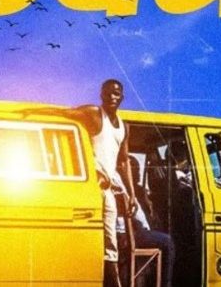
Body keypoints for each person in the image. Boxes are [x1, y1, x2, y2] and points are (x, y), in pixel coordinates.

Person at [22, 79, 136, 287]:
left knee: (111, 244)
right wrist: (31, 112)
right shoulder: (94, 114)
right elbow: (64, 113)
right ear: (101, 95)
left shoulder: (123, 127)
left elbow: (123, 161)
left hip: (109, 190)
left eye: (116, 93)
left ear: (122, 97)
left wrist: (132, 195)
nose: (112, 97)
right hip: (92, 186)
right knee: (94, 242)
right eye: (108, 93)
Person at [123, 155, 175, 287]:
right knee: (168, 241)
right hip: (135, 232)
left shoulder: (137, 190)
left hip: (139, 230)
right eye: (135, 171)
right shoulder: (129, 191)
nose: (138, 174)